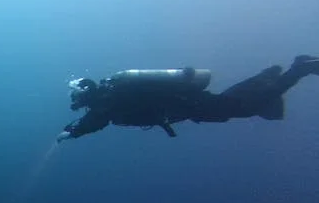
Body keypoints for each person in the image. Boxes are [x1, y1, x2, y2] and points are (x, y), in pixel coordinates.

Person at [57, 55, 319, 141]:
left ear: (86, 94)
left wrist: (72, 132)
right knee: (232, 103)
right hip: (188, 105)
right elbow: (98, 117)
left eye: (78, 99)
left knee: (243, 107)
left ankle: (298, 69)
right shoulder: (111, 92)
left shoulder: (108, 96)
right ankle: (271, 76)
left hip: (189, 105)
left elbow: (96, 119)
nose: (77, 104)